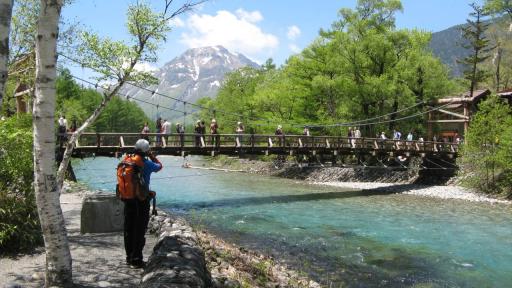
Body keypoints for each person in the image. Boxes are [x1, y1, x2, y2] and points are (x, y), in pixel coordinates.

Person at [123, 139, 162, 268]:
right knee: (139, 229)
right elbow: (160, 166)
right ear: (146, 151)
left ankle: (129, 257)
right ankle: (137, 259)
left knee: (129, 228)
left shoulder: (127, 160)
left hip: (127, 199)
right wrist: (152, 156)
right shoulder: (147, 163)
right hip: (141, 200)